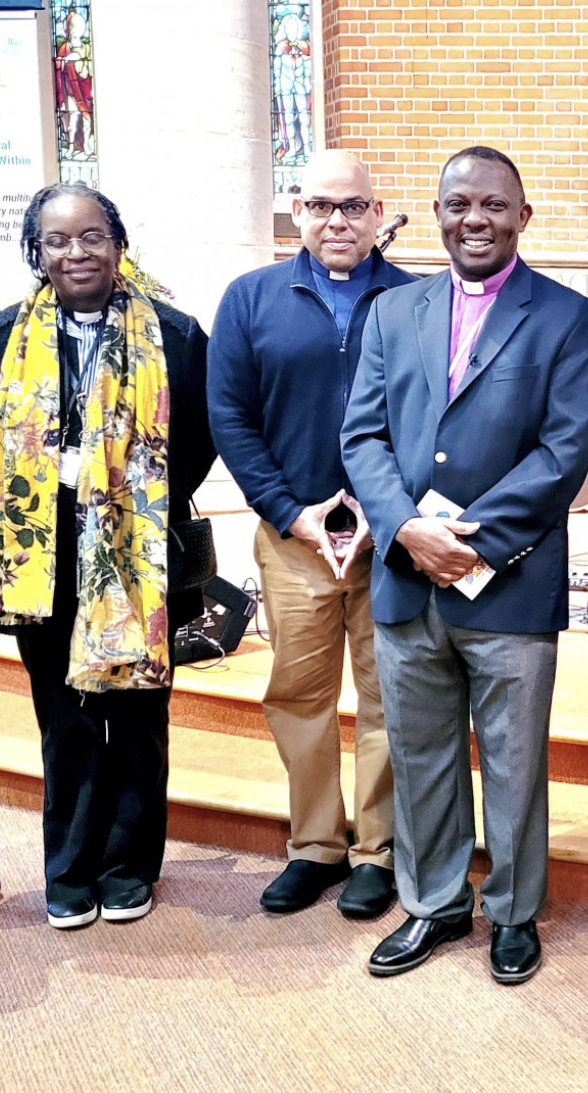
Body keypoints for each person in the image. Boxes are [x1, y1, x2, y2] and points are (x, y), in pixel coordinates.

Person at [341, 146, 588, 984]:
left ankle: (515, 913)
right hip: (407, 583)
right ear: (437, 213)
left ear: (522, 217)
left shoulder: (568, 318)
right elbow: (363, 436)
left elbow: (566, 451)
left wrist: (470, 540)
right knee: (419, 756)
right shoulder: (394, 312)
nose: (475, 221)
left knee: (515, 763)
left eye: (493, 205)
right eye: (458, 206)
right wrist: (403, 530)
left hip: (511, 582)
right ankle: (433, 903)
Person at [0, 182, 215, 930]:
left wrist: (128, 500)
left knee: (136, 711)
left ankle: (129, 865)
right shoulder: (3, 335)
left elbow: (197, 438)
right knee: (63, 717)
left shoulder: (173, 331)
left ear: (118, 242)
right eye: (58, 241)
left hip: (139, 552)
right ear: (36, 253)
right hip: (43, 553)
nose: (76, 252)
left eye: (91, 236)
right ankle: (69, 870)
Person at [208, 150, 415, 919]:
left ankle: (377, 850)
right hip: (292, 537)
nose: (338, 220)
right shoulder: (253, 298)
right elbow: (231, 415)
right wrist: (289, 512)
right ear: (297, 211)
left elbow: (425, 419)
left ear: (377, 213)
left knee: (389, 697)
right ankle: (316, 845)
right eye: (322, 206)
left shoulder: (414, 299)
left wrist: (380, 512)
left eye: (354, 206)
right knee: (299, 693)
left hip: (390, 541)